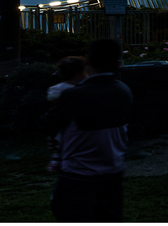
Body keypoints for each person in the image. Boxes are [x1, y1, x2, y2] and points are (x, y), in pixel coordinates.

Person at [42, 37, 132, 222]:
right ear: (117, 63)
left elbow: (47, 124)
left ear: (88, 62)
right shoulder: (123, 91)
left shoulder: (74, 96)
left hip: (78, 175)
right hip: (113, 172)